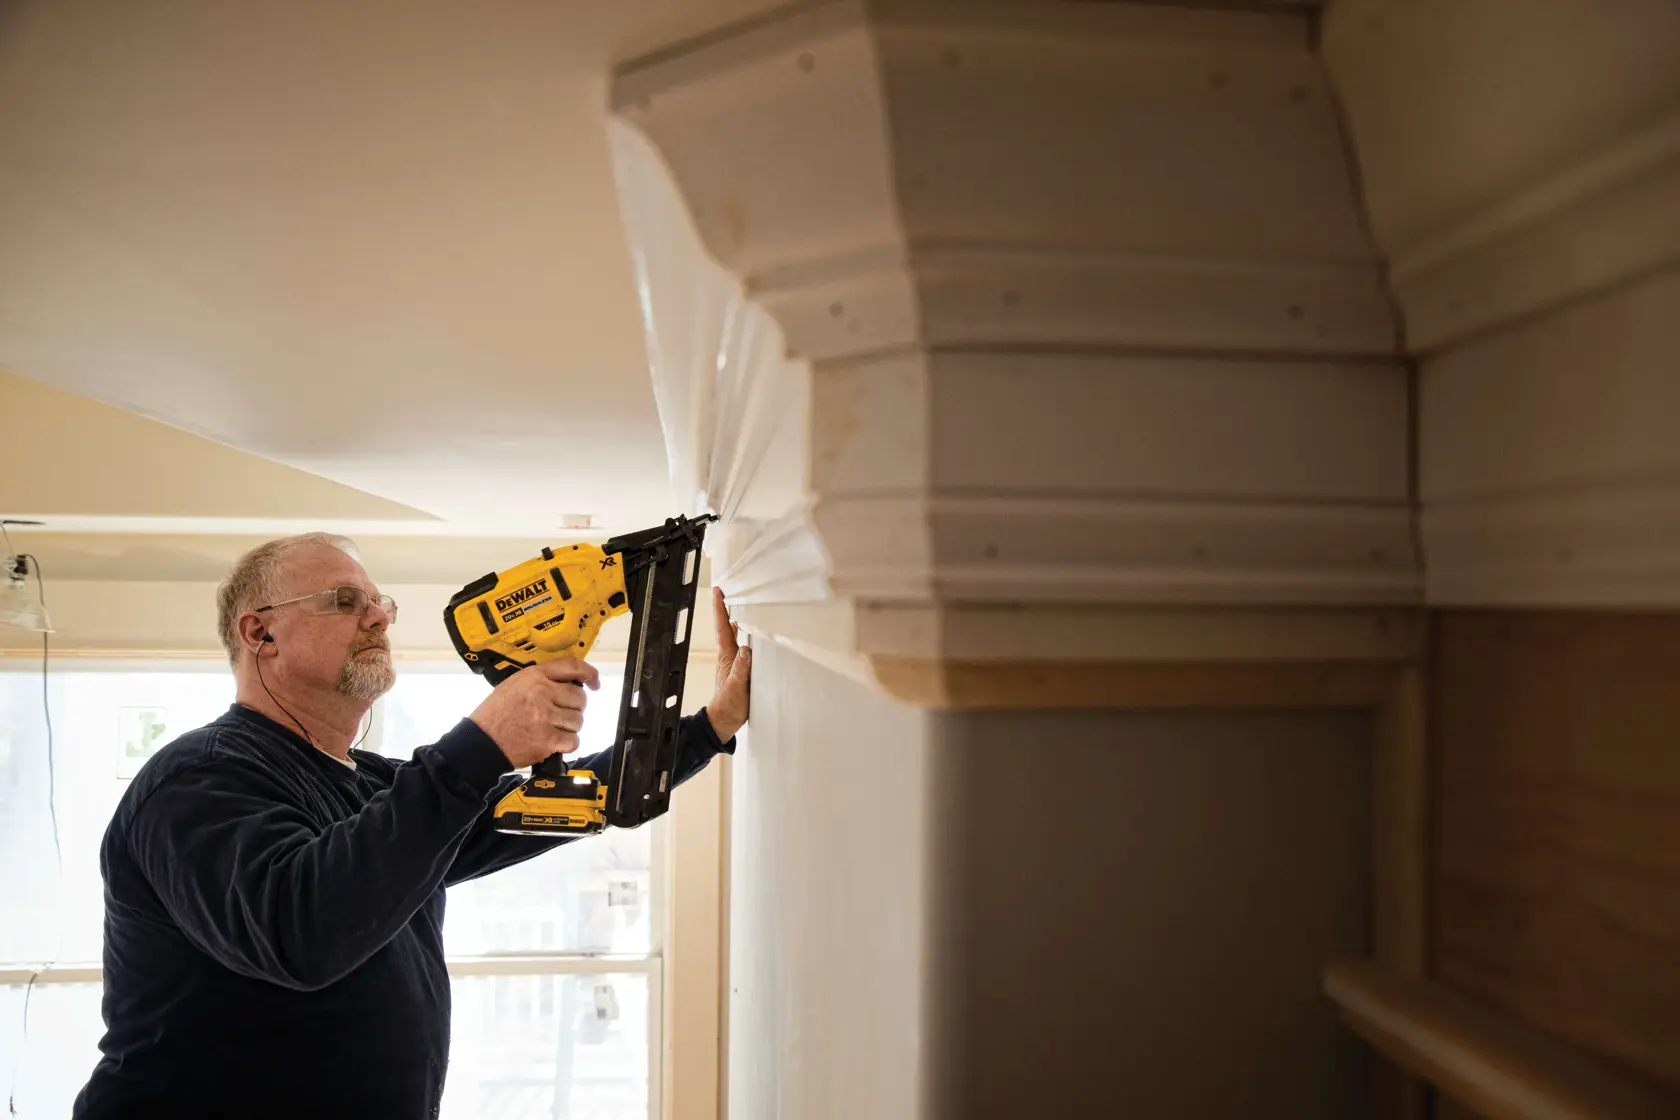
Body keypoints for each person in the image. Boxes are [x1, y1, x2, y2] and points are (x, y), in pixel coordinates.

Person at [70, 532, 750, 1118]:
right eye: (345, 601)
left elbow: (545, 809)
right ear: (260, 633)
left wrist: (713, 725)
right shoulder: (198, 779)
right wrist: (480, 744)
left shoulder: (373, 787)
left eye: (381, 604)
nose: (377, 618)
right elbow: (299, 931)